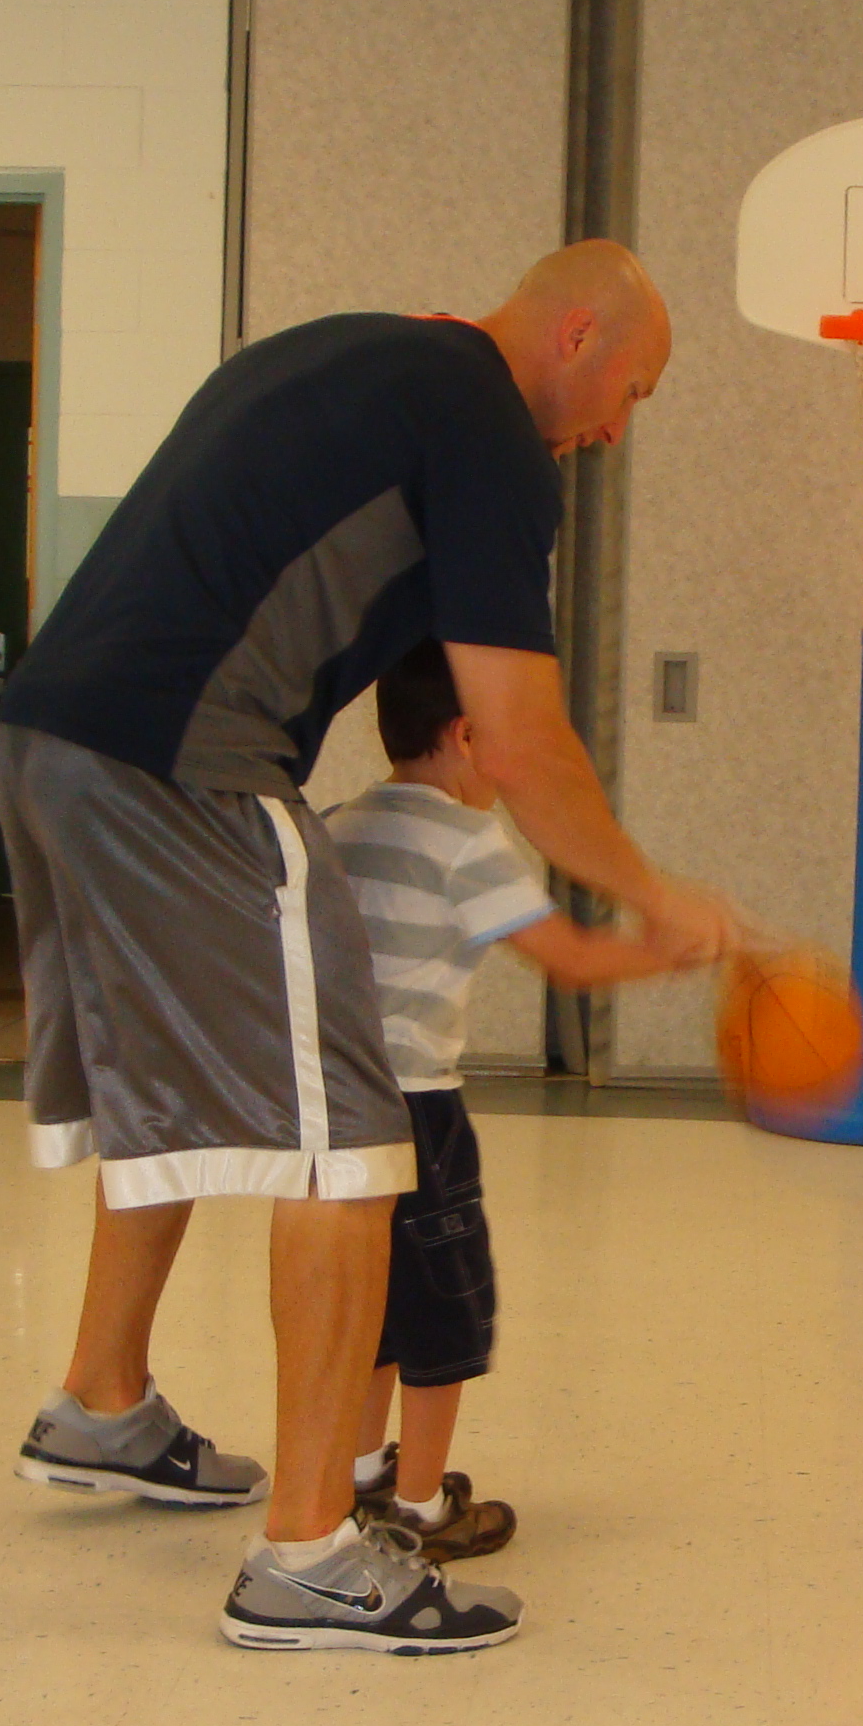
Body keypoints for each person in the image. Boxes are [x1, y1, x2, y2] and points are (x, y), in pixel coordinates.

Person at [0, 243, 735, 1655]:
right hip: (186, 766)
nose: (612, 432)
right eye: (630, 392)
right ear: (578, 334)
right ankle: (310, 1555)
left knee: (176, 1093)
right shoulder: (492, 433)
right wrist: (648, 892)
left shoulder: (355, 352)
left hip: (49, 743)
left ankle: (102, 1403)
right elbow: (518, 732)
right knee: (353, 1141)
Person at [324, 641, 681, 1564]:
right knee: (440, 1310)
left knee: (368, 1302)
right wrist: (671, 945)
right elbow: (569, 957)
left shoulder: (339, 822)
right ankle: (420, 1508)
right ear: (467, 735)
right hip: (419, 1113)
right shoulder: (466, 840)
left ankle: (359, 1475)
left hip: (334, 1108)